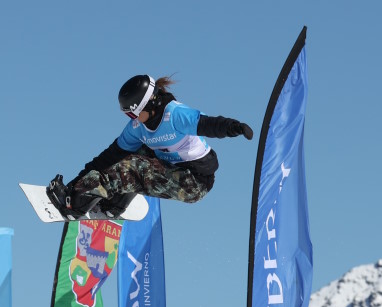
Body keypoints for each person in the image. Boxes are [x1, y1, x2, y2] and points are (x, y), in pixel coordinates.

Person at [46, 74, 255, 219]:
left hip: (194, 182)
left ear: (149, 105)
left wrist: (235, 127)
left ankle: (75, 205)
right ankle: (113, 203)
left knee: (133, 166)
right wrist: (74, 183)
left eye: (132, 113)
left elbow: (209, 125)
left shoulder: (176, 115)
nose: (132, 119)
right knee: (128, 154)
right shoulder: (137, 127)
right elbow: (109, 157)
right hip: (170, 168)